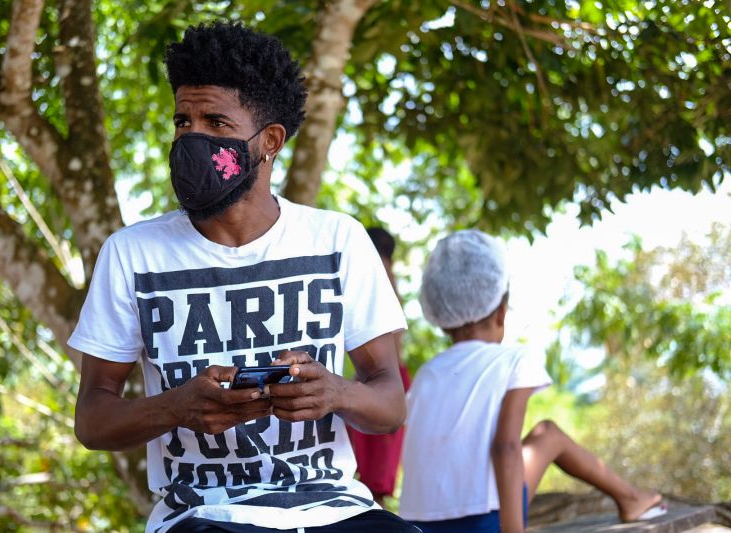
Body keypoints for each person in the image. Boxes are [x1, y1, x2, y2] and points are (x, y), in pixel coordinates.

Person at [69, 22, 418, 533]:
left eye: (216, 122)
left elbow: (390, 405)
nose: (192, 138)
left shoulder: (338, 240)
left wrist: (335, 393)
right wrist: (176, 408)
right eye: (182, 121)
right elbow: (92, 420)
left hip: (334, 509)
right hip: (200, 515)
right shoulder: (132, 254)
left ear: (269, 141)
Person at [398, 230, 667, 533]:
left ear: (442, 318)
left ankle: (631, 498)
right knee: (548, 434)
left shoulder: (427, 373)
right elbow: (505, 447)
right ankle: (631, 498)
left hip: (418, 525)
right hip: (484, 522)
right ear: (501, 312)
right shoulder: (514, 359)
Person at [347, 227, 412, 507]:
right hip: (377, 377)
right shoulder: (383, 272)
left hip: (382, 380)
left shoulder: (377, 270)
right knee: (369, 475)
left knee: (374, 476)